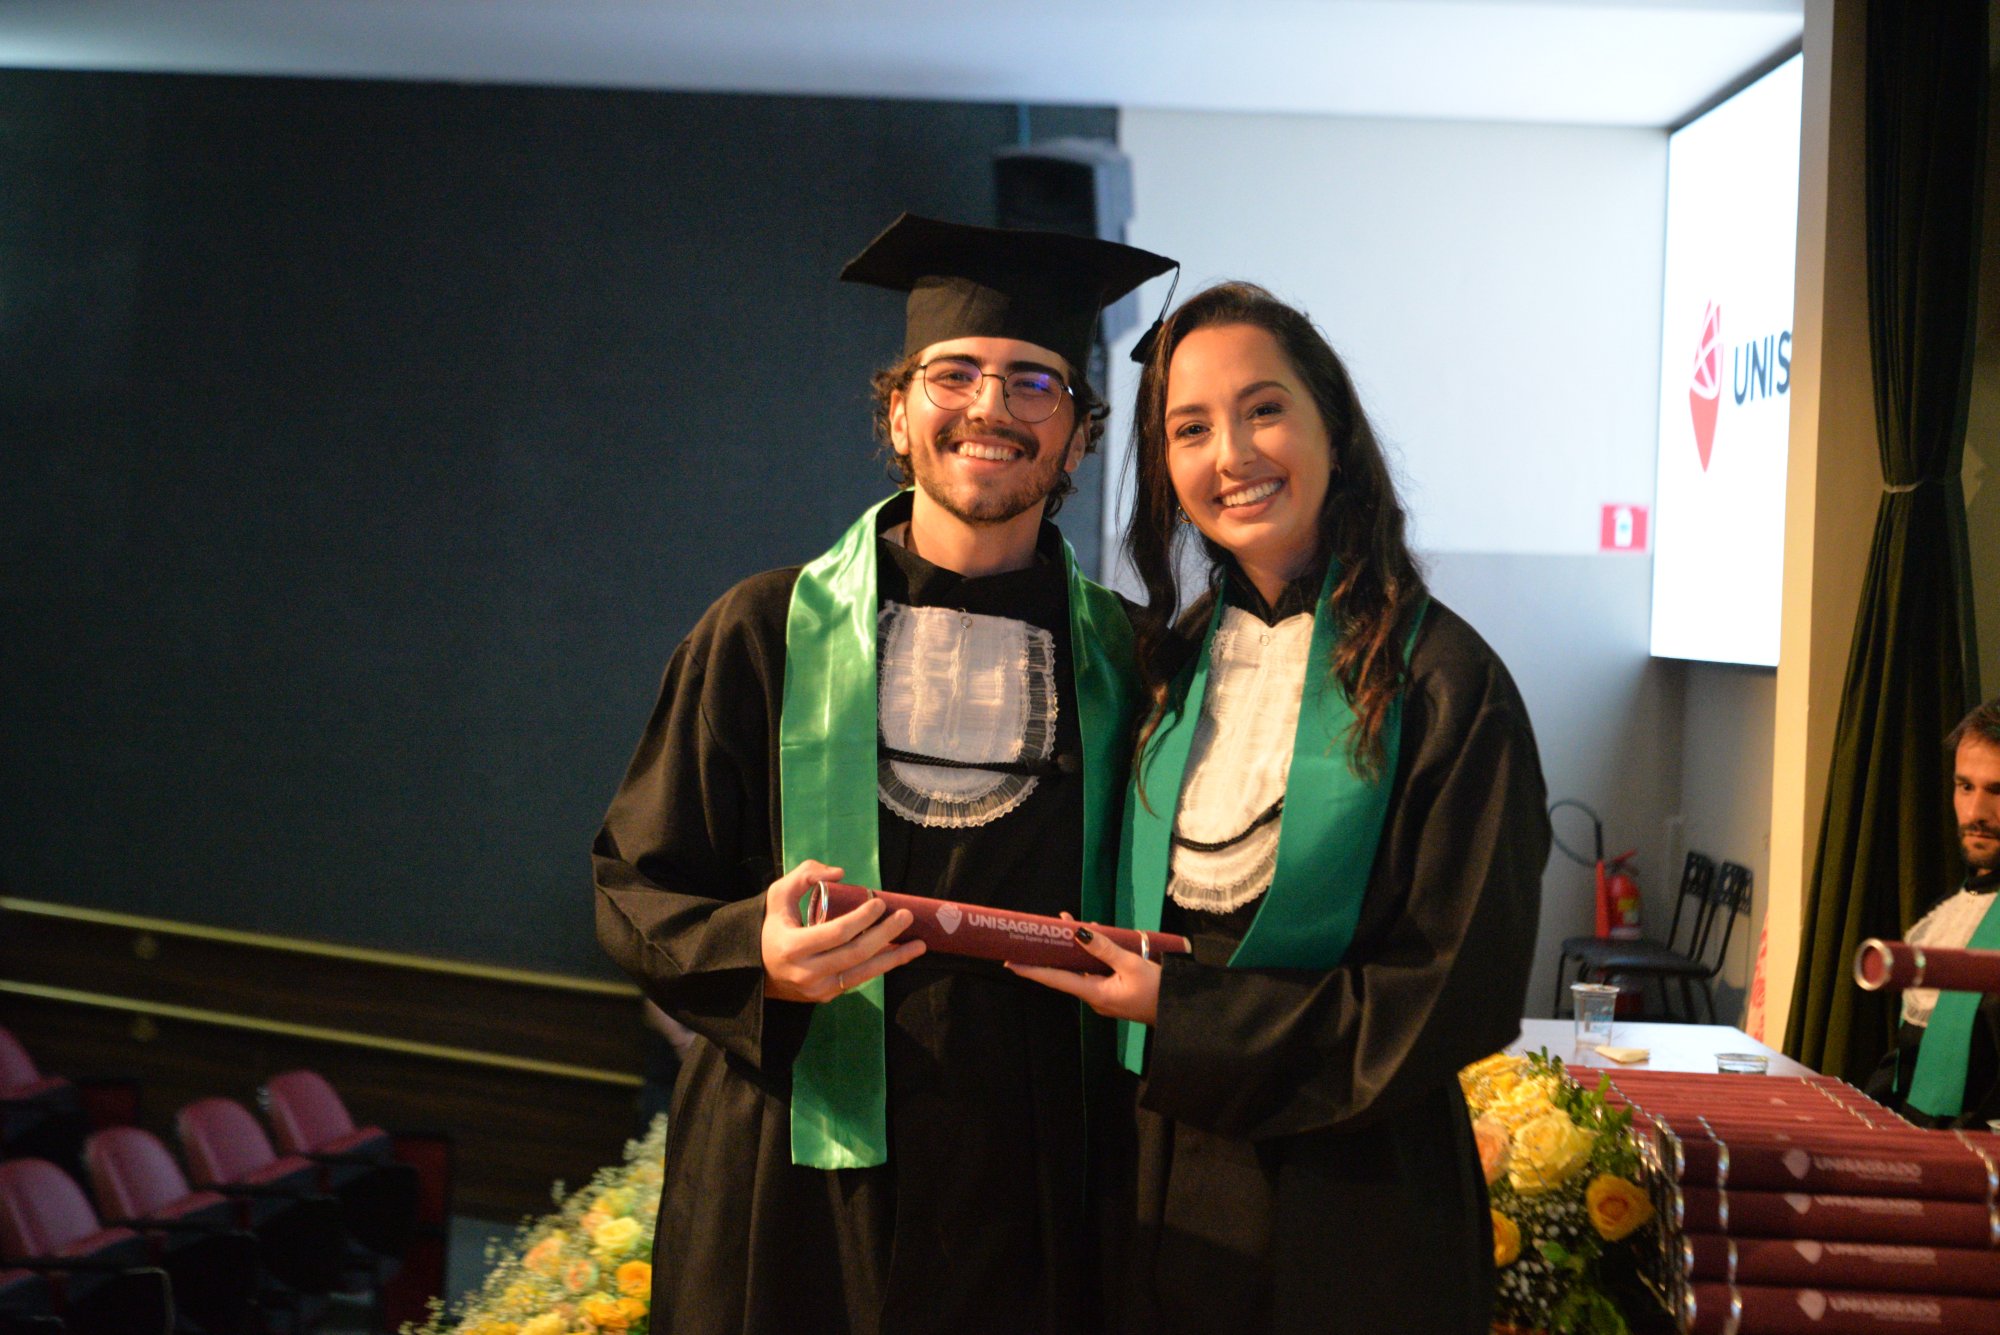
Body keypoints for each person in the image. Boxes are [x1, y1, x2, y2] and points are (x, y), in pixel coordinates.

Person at [592, 213, 1175, 1335]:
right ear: (898, 412)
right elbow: (633, 885)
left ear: (1078, 438)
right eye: (953, 374)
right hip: (794, 1161)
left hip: (1037, 1175)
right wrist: (755, 954)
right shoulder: (762, 631)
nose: (991, 407)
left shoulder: (1138, 664)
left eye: (1035, 383)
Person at [1012, 283, 1549, 1334]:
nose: (1231, 455)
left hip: (1358, 1192)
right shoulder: (1163, 672)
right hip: (1163, 1181)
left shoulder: (1445, 684)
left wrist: (1186, 1014)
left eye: (1263, 410)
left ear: (1331, 430)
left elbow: (1457, 989)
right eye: (1189, 429)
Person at [1864, 698, 2000, 1128]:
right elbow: (1910, 1060)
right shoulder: (1948, 913)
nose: (1976, 814)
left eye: (1998, 791)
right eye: (1965, 787)